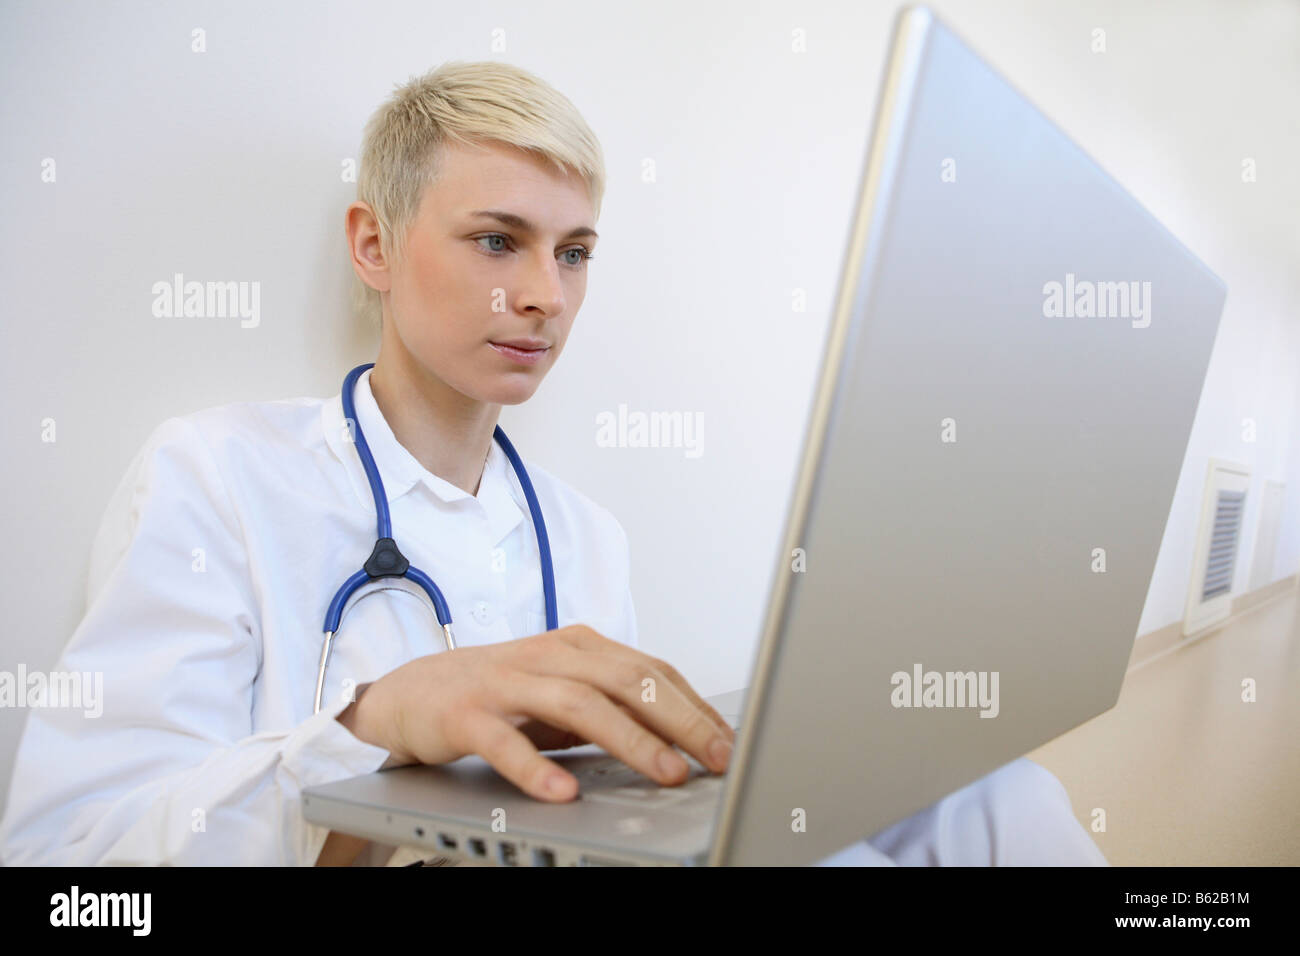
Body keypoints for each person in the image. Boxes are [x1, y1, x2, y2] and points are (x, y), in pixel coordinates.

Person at [0, 61, 1106, 867]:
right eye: (498, 240)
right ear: (373, 245)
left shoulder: (581, 533)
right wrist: (366, 726)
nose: (546, 294)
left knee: (991, 792)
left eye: (574, 253)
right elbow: (69, 869)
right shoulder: (220, 476)